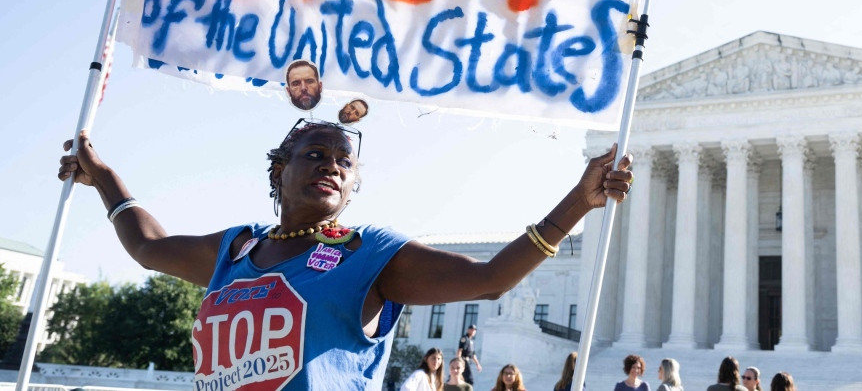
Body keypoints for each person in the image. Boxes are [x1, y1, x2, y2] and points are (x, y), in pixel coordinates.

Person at [56, 122, 633, 391]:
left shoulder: (368, 254)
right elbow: (147, 247)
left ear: (353, 185)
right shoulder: (238, 247)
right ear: (280, 171)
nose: (331, 163)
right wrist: (103, 177)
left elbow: (489, 280)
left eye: (344, 160)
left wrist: (578, 202)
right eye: (315, 153)